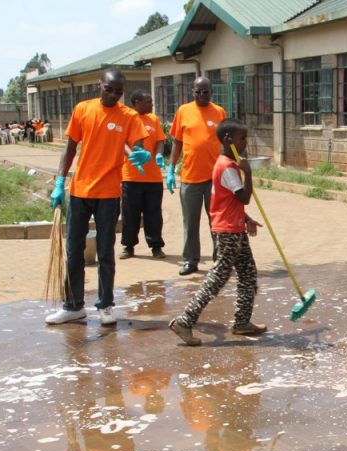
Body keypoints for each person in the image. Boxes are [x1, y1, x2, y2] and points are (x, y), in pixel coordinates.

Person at [45, 68, 150, 326]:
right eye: (109, 89)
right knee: (74, 251)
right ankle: (73, 306)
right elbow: (70, 147)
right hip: (80, 190)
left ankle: (105, 305)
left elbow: (137, 145)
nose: (114, 95)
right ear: (99, 85)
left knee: (105, 252)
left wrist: (142, 154)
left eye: (118, 91)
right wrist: (60, 182)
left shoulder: (128, 116)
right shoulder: (83, 109)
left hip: (108, 194)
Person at [169, 118, 265, 346]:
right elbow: (244, 197)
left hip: (235, 227)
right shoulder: (227, 167)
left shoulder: (228, 165)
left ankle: (242, 322)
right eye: (243, 139)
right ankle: (184, 320)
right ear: (228, 140)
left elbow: (231, 202)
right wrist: (249, 173)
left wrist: (247, 219)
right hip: (228, 231)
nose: (245, 143)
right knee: (218, 277)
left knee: (248, 273)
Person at [168, 76, 226, 276]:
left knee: (216, 222)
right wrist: (170, 168)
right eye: (198, 91)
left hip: (214, 179)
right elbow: (176, 141)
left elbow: (227, 141)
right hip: (190, 178)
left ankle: (220, 261)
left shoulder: (219, 112)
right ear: (192, 92)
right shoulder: (183, 111)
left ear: (211, 92)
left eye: (206, 91)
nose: (202, 95)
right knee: (190, 223)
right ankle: (190, 260)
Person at [120, 89, 168, 260]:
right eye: (148, 101)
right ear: (137, 102)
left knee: (154, 214)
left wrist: (159, 154)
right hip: (131, 177)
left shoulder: (153, 119)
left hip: (153, 178)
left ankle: (156, 246)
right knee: (130, 214)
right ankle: (128, 246)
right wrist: (131, 156)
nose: (151, 104)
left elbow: (161, 140)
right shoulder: (127, 119)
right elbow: (121, 142)